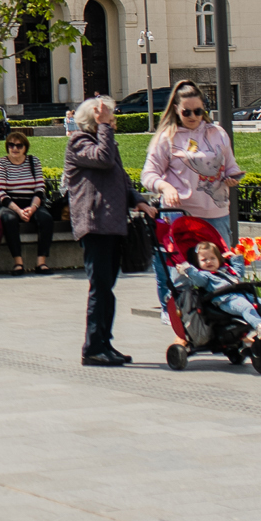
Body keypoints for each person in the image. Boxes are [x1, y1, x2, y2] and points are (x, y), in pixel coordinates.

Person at [64, 96, 153, 366]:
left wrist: (137, 199)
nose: (114, 122)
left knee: (107, 288)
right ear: (96, 120)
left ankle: (105, 342)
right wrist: (104, 126)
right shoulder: (78, 142)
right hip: (95, 224)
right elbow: (102, 160)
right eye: (109, 118)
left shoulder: (107, 142)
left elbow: (121, 179)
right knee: (100, 287)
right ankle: (92, 348)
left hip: (112, 224)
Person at [142, 82, 243, 253]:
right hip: (180, 215)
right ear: (176, 109)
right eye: (186, 112)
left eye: (198, 111)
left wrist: (233, 177)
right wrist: (165, 187)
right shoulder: (167, 138)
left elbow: (231, 166)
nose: (193, 116)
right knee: (183, 273)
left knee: (220, 272)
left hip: (216, 214)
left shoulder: (218, 133)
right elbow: (148, 175)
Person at [171, 234, 261, 349]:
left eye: (213, 258)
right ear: (198, 263)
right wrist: (189, 269)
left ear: (219, 259)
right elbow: (198, 281)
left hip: (244, 295)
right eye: (204, 260)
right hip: (226, 299)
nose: (209, 262)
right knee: (247, 308)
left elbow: (239, 272)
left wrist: (234, 257)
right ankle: (260, 327)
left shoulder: (226, 270)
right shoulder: (205, 275)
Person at [0, 130, 58, 274]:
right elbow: (0, 191)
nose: (15, 148)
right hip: (8, 204)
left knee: (46, 219)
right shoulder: (1, 163)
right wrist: (19, 211)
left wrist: (32, 208)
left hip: (31, 202)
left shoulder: (34, 161)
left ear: (25, 147)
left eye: (19, 146)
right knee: (9, 219)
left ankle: (41, 262)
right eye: (11, 145)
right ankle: (18, 262)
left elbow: (40, 188)